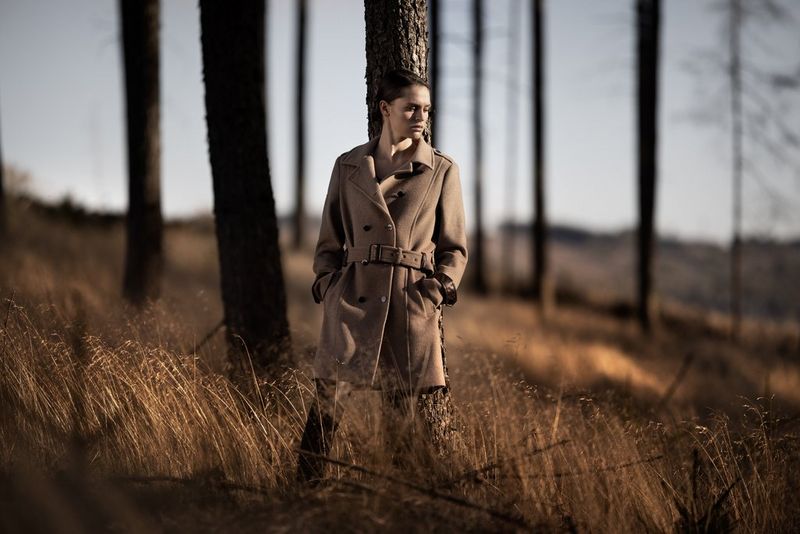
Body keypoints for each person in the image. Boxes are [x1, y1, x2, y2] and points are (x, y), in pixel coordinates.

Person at [297, 68, 468, 484]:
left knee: (401, 410)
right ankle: (303, 491)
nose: (420, 117)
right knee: (327, 404)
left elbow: (454, 246)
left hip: (409, 302)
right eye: (411, 108)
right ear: (385, 109)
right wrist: (327, 284)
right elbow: (328, 239)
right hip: (352, 297)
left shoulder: (441, 170)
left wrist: (439, 288)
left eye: (426, 109)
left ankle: (400, 500)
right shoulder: (349, 165)